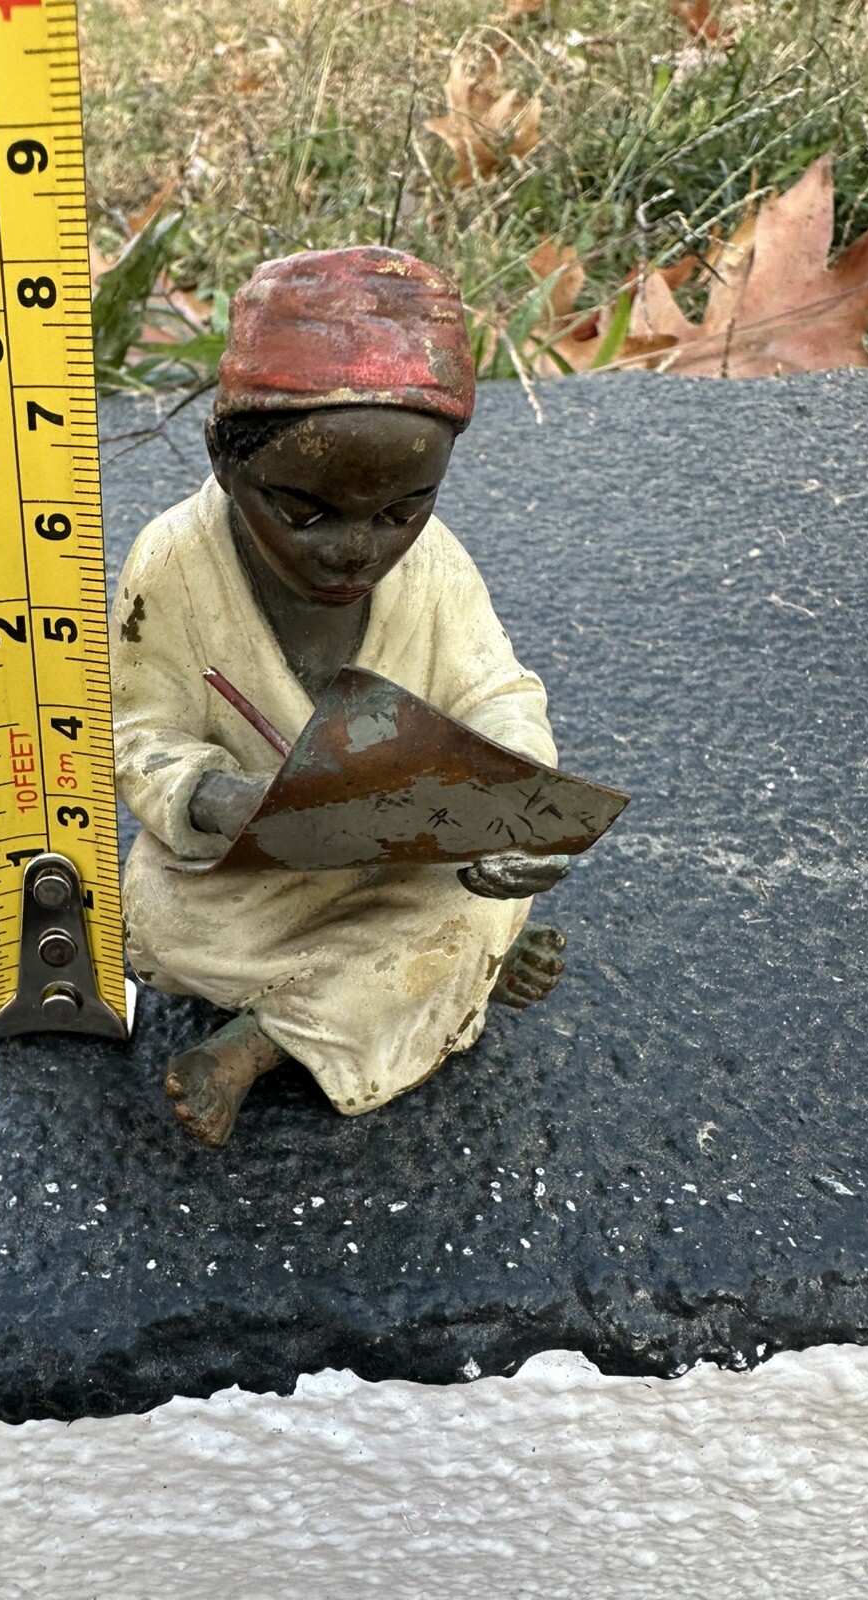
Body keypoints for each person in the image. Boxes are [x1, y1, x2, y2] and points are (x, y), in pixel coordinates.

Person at [111, 246, 569, 1147]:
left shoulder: (436, 568)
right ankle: (445, 978)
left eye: (401, 511)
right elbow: (138, 731)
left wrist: (521, 805)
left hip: (399, 860)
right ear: (224, 457)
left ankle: (257, 1046)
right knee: (151, 921)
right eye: (304, 510)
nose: (356, 550)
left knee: (473, 904)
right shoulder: (169, 564)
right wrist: (218, 796)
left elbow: (495, 691)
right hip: (245, 872)